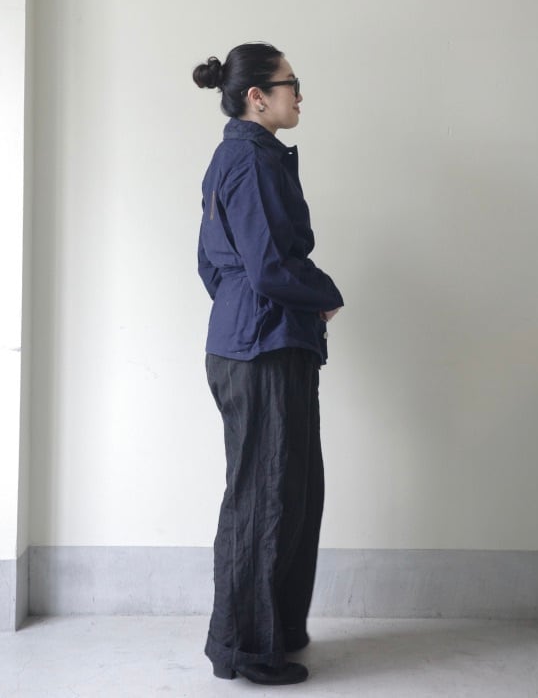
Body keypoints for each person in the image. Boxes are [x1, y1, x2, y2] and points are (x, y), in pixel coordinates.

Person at [193, 42, 344, 686]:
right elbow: (268, 267)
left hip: (258, 341)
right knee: (266, 497)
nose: (299, 94)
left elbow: (211, 264)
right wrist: (324, 296)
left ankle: (273, 632)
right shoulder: (251, 160)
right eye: (291, 83)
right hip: (263, 348)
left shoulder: (238, 157)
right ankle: (249, 650)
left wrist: (252, 309)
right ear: (257, 96)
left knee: (290, 490)